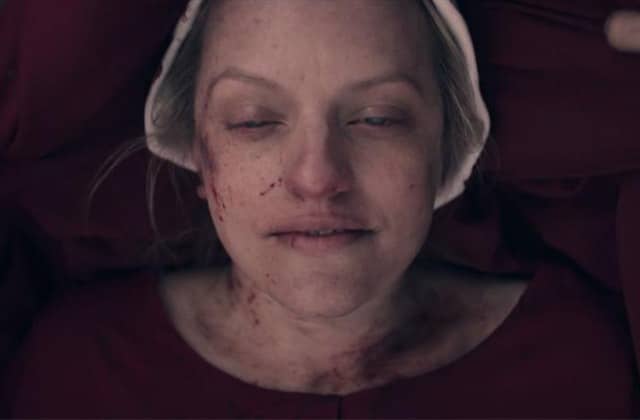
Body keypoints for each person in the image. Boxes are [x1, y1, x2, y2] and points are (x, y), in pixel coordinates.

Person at [4, 0, 639, 418]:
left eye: (377, 118)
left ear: (445, 150)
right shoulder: (80, 369)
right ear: (198, 153)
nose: (317, 178)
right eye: (254, 121)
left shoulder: (572, 355)